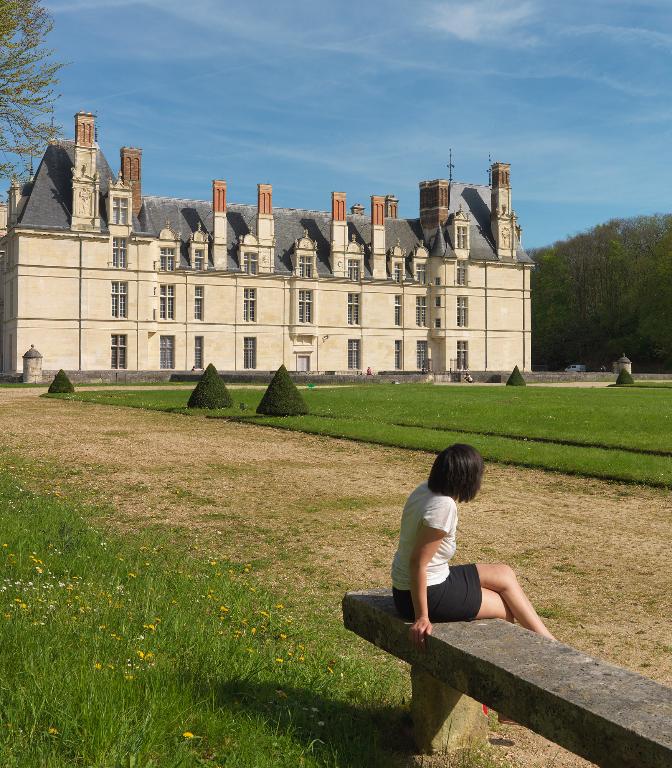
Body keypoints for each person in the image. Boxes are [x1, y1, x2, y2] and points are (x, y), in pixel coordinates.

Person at [391, 444, 556, 652]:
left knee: (504, 573)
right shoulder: (443, 506)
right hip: (424, 594)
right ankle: (546, 651)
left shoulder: (424, 490)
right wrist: (422, 616)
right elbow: (417, 563)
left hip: (413, 586)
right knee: (505, 609)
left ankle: (550, 643)